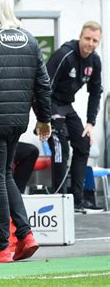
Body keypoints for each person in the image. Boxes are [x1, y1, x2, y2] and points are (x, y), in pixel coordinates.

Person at [0, 0, 52, 263]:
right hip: (18, 121)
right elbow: (43, 85)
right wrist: (44, 119)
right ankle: (25, 234)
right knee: (5, 176)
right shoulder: (30, 41)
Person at [46, 21, 104, 213]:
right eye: (87, 38)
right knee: (61, 148)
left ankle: (77, 201)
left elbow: (95, 92)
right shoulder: (65, 55)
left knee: (83, 142)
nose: (90, 43)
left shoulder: (94, 61)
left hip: (66, 106)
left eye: (95, 40)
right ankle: (59, 199)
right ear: (80, 36)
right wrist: (45, 118)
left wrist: (90, 122)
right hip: (51, 102)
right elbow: (45, 87)